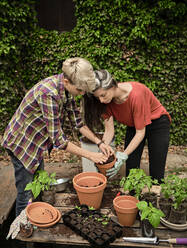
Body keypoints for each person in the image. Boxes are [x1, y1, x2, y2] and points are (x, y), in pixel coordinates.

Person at [1, 58, 113, 217]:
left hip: (37, 143)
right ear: (67, 81)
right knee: (26, 193)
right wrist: (91, 155)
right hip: (22, 144)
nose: (82, 94)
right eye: (80, 90)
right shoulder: (48, 93)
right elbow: (59, 140)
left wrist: (99, 143)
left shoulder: (68, 90)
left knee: (38, 183)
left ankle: (36, 217)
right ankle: (22, 230)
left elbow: (79, 123)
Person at [82, 69, 171, 183]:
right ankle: (131, 196)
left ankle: (157, 195)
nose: (101, 100)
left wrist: (122, 155)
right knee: (131, 165)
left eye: (103, 95)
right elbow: (109, 131)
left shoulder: (136, 95)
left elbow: (140, 133)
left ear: (112, 85)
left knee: (156, 165)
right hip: (135, 125)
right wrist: (103, 150)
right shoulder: (105, 102)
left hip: (158, 123)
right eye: (98, 97)